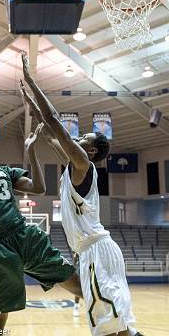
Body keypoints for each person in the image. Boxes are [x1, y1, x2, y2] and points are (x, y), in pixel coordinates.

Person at [0, 58, 82, 335]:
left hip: (23, 233)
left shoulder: (4, 170)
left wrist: (31, 150)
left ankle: (111, 314)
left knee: (72, 279)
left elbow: (38, 188)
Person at [20, 52, 144, 336]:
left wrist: (31, 80)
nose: (77, 138)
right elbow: (49, 132)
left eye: (83, 138)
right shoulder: (72, 168)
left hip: (97, 251)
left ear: (90, 151)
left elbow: (53, 121)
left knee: (110, 328)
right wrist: (30, 103)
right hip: (93, 252)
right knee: (116, 326)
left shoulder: (83, 164)